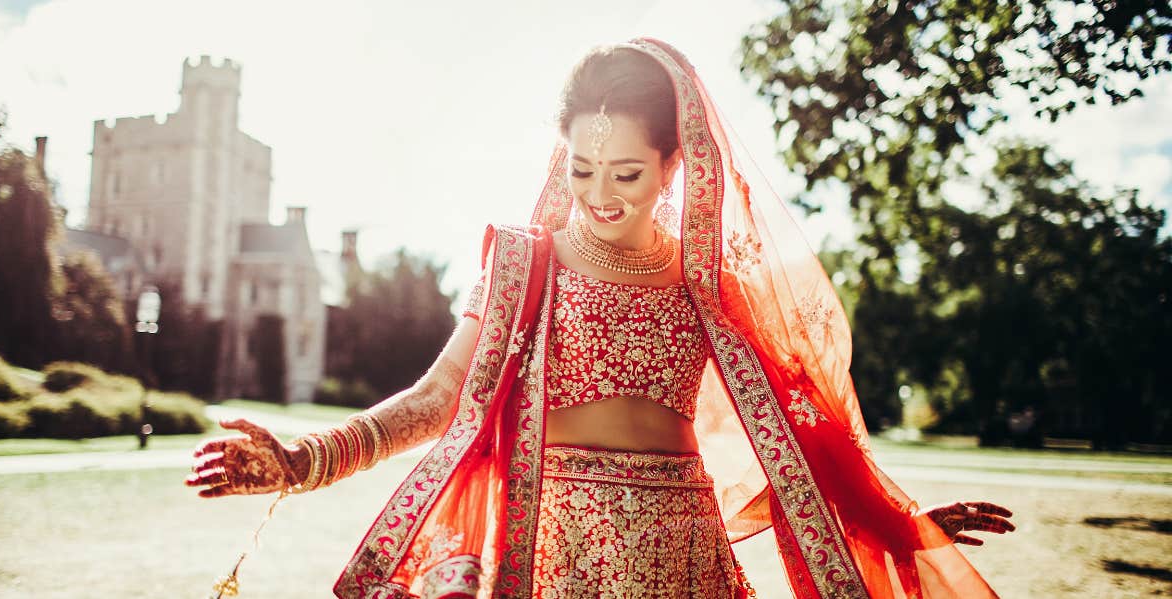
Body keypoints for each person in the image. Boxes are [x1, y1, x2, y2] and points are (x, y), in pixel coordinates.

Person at [186, 38, 1015, 598]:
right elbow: (438, 398)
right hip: (555, 552)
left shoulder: (710, 284)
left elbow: (805, 427)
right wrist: (303, 458)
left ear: (673, 163)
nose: (600, 195)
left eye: (625, 172)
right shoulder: (523, 265)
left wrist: (895, 523)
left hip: (685, 555)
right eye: (582, 169)